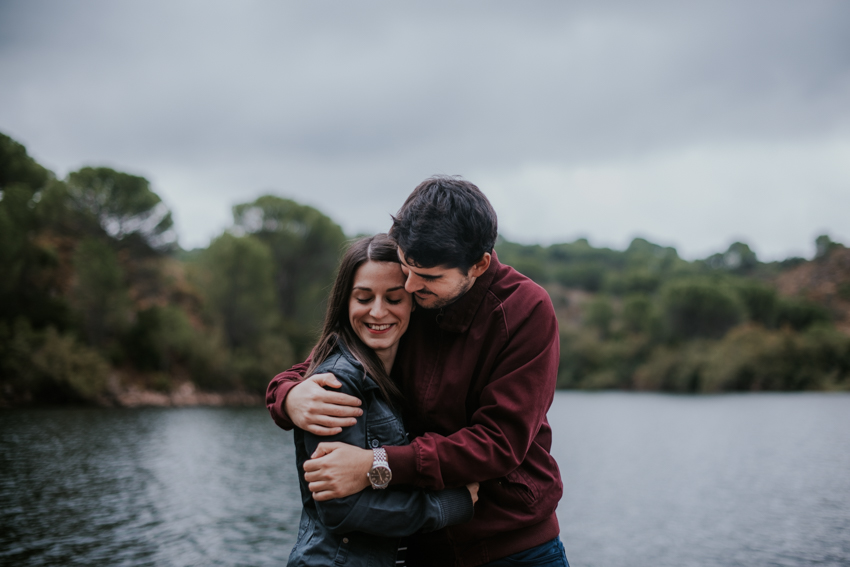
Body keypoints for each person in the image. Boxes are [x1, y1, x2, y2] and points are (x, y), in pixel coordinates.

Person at [268, 176, 568, 567]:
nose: (409, 285)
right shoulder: (407, 294)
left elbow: (498, 442)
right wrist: (288, 396)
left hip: (515, 547)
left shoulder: (526, 310)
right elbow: (329, 358)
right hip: (422, 548)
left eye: (428, 277)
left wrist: (375, 465)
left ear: (478, 264)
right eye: (407, 267)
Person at [285, 233, 479, 567]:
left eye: (393, 298)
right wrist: (448, 506)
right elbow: (341, 510)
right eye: (363, 298)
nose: (377, 312)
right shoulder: (337, 383)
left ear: (413, 301)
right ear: (345, 302)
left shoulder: (400, 370)